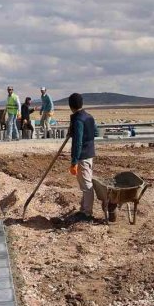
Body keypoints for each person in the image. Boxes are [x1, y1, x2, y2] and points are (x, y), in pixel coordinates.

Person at [68, 93, 97, 222]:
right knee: (86, 184)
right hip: (89, 154)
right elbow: (94, 132)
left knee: (86, 186)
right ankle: (83, 209)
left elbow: (78, 142)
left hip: (82, 156)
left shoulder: (78, 120)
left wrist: (74, 161)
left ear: (71, 106)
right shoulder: (88, 117)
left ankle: (87, 214)